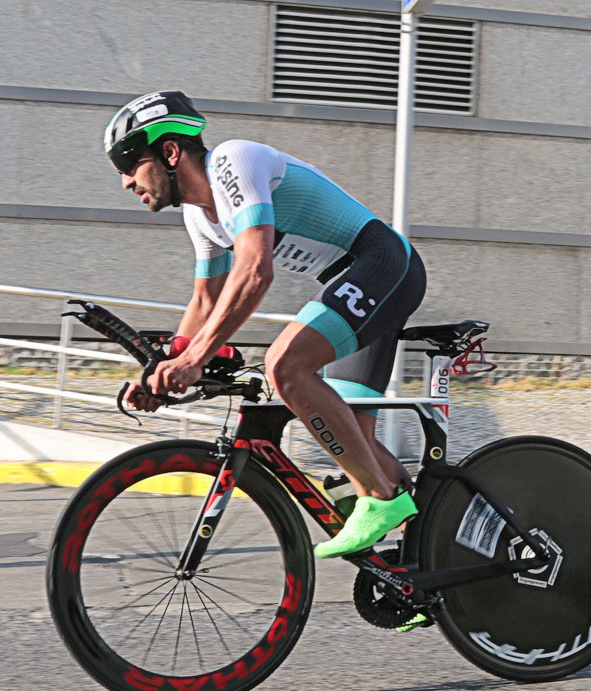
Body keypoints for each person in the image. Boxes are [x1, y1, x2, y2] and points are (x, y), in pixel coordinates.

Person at [105, 90, 426, 559]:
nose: (125, 182)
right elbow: (205, 300)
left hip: (381, 263)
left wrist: (196, 358)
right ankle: (422, 566)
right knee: (355, 439)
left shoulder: (232, 162)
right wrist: (163, 370)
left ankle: (379, 498)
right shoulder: (199, 216)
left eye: (130, 164)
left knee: (285, 366)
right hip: (348, 280)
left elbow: (254, 270)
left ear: (170, 152)